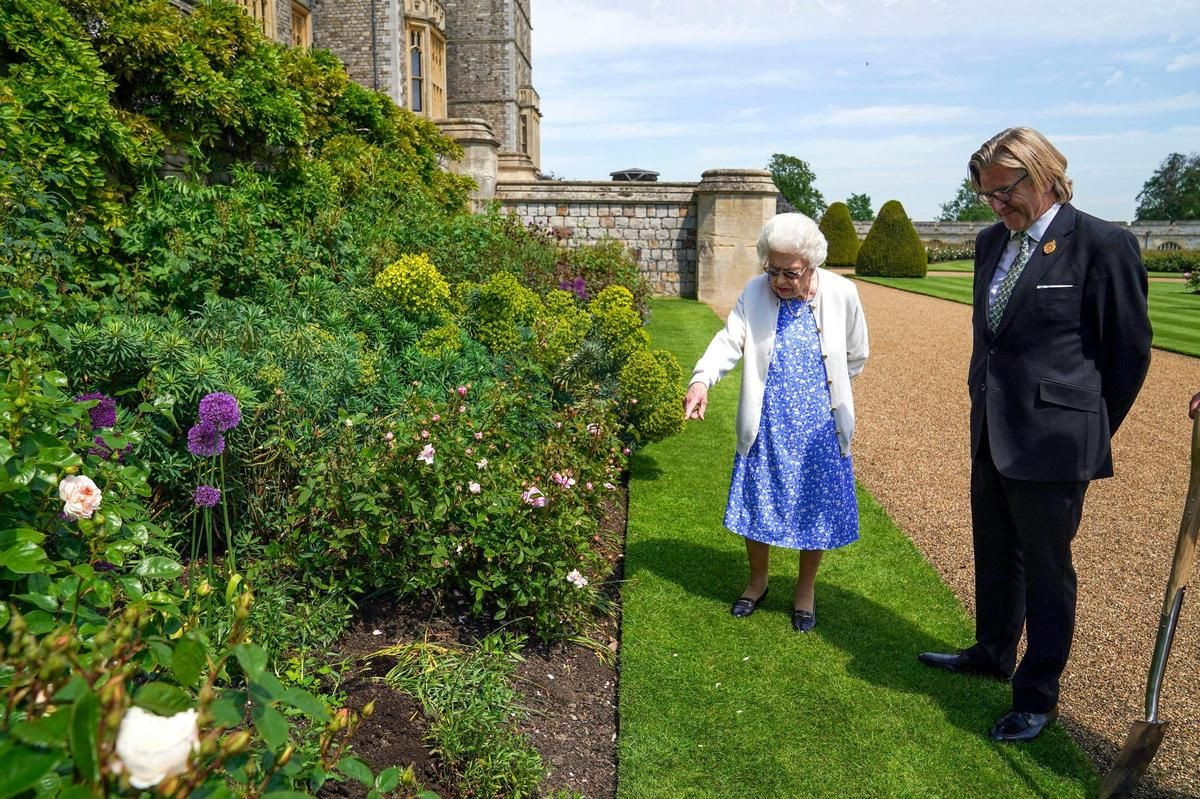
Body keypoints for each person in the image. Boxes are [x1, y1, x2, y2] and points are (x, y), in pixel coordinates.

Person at [918, 127, 1152, 743]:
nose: (996, 206)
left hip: (1055, 442)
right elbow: (988, 343)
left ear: (1042, 173)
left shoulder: (1104, 243)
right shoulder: (992, 242)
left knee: (1048, 571)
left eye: (1004, 192)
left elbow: (1128, 355)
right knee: (995, 553)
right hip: (992, 429)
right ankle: (993, 652)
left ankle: (1037, 694)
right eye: (986, 197)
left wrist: (1088, 429)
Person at [683, 213, 868, 633]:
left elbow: (857, 354)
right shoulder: (755, 293)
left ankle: (805, 590)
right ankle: (758, 581)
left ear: (812, 264)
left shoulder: (843, 293)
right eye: (772, 269)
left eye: (791, 272)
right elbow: (729, 341)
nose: (780, 280)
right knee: (757, 502)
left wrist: (828, 391)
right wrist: (701, 380)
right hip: (768, 420)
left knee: (815, 507)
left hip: (820, 426)